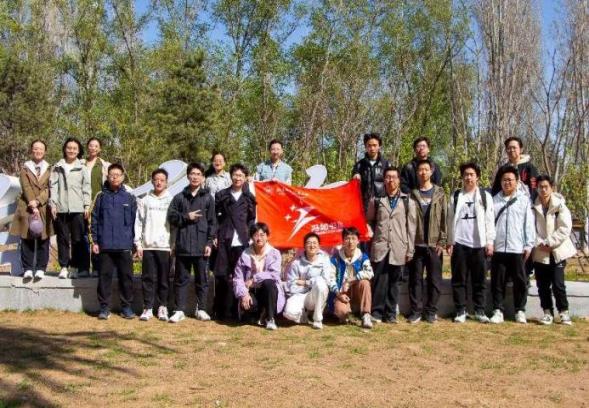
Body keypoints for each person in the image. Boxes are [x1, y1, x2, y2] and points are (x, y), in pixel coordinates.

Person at [167, 162, 216, 323]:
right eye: (192, 174)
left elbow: (212, 223)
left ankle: (201, 309)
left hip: (201, 246)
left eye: (198, 174)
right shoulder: (179, 197)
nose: (195, 177)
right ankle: (179, 309)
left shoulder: (208, 198)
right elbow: (171, 217)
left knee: (202, 280)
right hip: (183, 245)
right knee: (181, 280)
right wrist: (186, 217)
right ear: (188, 176)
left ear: (203, 177)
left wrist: (209, 243)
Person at [367, 166, 416, 324]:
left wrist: (410, 249)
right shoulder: (377, 200)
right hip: (381, 246)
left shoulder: (407, 201)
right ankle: (376, 312)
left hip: (399, 247)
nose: (390, 180)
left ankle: (390, 314)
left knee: (395, 282)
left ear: (399, 180)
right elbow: (369, 221)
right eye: (387, 177)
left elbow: (411, 228)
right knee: (380, 281)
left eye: (394, 177)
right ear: (384, 180)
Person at [447, 162, 495, 323]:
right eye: (466, 175)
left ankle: (480, 310)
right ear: (462, 177)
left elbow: (489, 220)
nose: (468, 177)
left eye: (471, 175)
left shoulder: (485, 196)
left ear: (477, 177)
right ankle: (460, 310)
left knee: (480, 279)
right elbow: (449, 219)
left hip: (479, 244)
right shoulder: (456, 196)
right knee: (459, 279)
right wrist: (450, 241)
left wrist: (490, 242)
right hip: (460, 243)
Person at [489, 166, 536, 324]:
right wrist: (490, 242)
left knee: (520, 281)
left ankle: (520, 310)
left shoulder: (524, 200)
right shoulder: (494, 200)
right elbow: (489, 224)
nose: (507, 182)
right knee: (497, 281)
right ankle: (498, 310)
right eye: (504, 180)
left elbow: (528, 224)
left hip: (517, 247)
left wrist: (528, 244)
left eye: (510, 180)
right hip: (499, 247)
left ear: (517, 182)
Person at [91, 163, 137, 320]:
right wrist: (95, 241)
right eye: (112, 175)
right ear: (107, 177)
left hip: (124, 245)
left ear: (123, 177)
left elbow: (135, 222)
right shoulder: (100, 197)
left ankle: (126, 307)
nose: (115, 177)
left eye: (118, 175)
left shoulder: (129, 198)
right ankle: (104, 308)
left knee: (126, 278)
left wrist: (134, 243)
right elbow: (94, 220)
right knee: (104, 278)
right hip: (105, 246)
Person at [214, 163, 256, 321]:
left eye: (241, 175)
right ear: (231, 176)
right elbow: (215, 217)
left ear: (245, 178)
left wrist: (250, 235)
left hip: (242, 242)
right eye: (235, 175)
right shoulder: (221, 195)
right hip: (224, 239)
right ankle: (220, 311)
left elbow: (251, 219)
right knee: (222, 275)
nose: (238, 178)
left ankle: (239, 311)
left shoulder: (249, 197)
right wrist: (215, 235)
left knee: (241, 277)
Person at [532, 175, 576, 325]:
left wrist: (549, 243)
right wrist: (540, 243)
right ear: (536, 188)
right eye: (540, 187)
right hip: (540, 251)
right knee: (542, 285)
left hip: (557, 250)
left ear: (552, 188)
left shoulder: (560, 206)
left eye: (546, 187)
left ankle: (564, 312)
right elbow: (529, 227)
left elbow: (565, 228)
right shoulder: (533, 206)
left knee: (558, 284)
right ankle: (547, 312)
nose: (543, 190)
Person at [407, 159, 446, 324]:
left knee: (434, 280)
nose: (423, 172)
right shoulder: (412, 194)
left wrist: (442, 241)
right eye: (420, 170)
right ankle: (416, 311)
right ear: (417, 173)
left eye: (426, 169)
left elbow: (444, 218)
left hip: (434, 244)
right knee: (415, 279)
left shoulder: (440, 193)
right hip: (417, 244)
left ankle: (431, 311)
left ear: (431, 171)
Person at [135, 168, 174, 322]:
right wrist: (138, 244)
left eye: (162, 180)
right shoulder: (145, 200)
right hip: (148, 246)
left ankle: (163, 307)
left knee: (164, 279)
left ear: (166, 182)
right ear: (152, 181)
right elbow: (139, 222)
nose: (159, 182)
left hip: (165, 247)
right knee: (148, 278)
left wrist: (173, 245)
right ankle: (148, 307)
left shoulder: (171, 200)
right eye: (156, 179)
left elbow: (174, 225)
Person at [10, 140, 53, 280]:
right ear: (31, 150)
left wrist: (39, 201)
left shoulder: (50, 168)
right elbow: (26, 187)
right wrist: (32, 203)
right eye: (35, 148)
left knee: (43, 238)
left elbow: (49, 188)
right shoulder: (25, 168)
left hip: (43, 206)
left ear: (45, 151)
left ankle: (41, 268)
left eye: (41, 149)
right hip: (27, 206)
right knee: (26, 237)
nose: (38, 151)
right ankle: (27, 268)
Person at [50, 137, 91, 279]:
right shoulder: (58, 166)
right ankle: (64, 266)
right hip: (61, 208)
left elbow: (86, 188)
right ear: (65, 149)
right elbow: (53, 186)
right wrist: (53, 203)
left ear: (78, 151)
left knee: (77, 240)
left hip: (78, 209)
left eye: (74, 148)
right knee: (62, 238)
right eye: (69, 148)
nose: (71, 150)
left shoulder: (83, 167)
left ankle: (74, 267)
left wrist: (86, 205)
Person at [233, 222, 285, 330]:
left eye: (262, 235)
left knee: (269, 282)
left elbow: (274, 274)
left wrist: (254, 279)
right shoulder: (245, 254)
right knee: (248, 313)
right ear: (252, 237)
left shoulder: (274, 253)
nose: (259, 238)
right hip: (252, 291)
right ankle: (258, 314)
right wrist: (244, 294)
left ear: (267, 236)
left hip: (269, 292)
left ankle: (270, 318)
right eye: (256, 235)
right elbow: (238, 278)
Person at [283, 232, 332, 329]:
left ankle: (317, 319)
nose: (312, 246)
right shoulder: (296, 263)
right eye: (309, 243)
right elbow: (291, 285)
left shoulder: (325, 260)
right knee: (289, 313)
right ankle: (303, 316)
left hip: (316, 295)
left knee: (320, 283)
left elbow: (326, 280)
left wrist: (305, 282)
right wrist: (306, 286)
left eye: (314, 243)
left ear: (319, 246)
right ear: (304, 246)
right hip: (300, 294)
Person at [329, 227, 374, 329]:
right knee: (341, 312)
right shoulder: (335, 258)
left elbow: (370, 272)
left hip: (357, 291)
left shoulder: (363, 257)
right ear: (343, 241)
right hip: (343, 293)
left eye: (353, 238)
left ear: (358, 241)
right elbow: (330, 279)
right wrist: (339, 294)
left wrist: (351, 280)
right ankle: (348, 313)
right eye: (347, 238)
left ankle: (366, 315)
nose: (350, 242)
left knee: (365, 282)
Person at [81, 137, 111, 276]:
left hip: (98, 205)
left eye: (96, 146)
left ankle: (97, 267)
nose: (93, 148)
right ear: (87, 147)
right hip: (82, 205)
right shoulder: (81, 164)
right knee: (83, 236)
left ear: (99, 149)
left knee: (97, 235)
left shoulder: (105, 165)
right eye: (91, 145)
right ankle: (83, 268)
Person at [352, 133, 390, 215]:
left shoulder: (386, 164)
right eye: (369, 145)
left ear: (379, 146)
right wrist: (355, 176)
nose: (372, 148)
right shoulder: (359, 165)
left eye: (374, 145)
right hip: (364, 205)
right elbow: (353, 187)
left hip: (383, 204)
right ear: (365, 147)